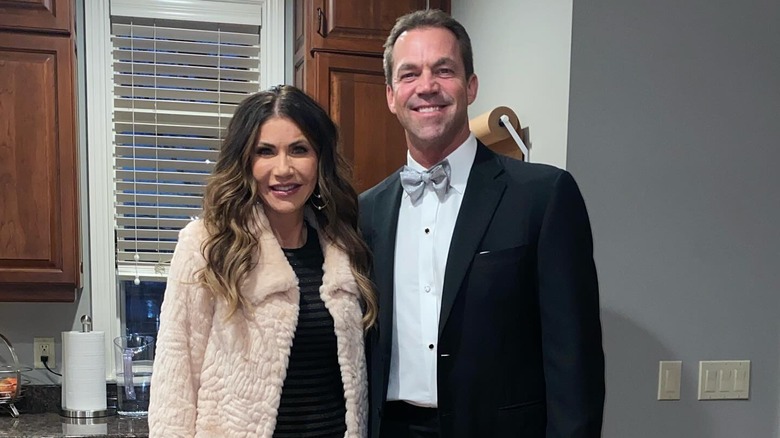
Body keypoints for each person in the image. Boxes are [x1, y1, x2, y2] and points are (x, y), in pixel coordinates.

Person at [359, 9, 605, 438]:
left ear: (471, 86)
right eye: (409, 74)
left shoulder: (543, 196)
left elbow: (575, 360)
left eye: (444, 70)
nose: (427, 87)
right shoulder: (365, 213)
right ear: (391, 95)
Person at [148, 85, 376, 437]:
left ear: (319, 159)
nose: (283, 169)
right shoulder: (207, 244)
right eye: (265, 152)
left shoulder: (342, 245)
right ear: (245, 161)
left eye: (299, 150)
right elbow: (175, 379)